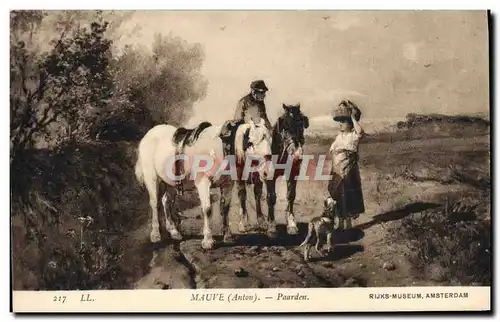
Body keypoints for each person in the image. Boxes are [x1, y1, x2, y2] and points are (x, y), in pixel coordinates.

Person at [327, 100, 365, 229]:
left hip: (348, 171)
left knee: (348, 195)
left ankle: (348, 223)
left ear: (350, 123)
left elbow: (360, 131)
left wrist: (353, 118)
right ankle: (341, 221)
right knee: (337, 194)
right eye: (340, 122)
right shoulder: (339, 136)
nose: (341, 125)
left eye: (343, 122)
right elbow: (332, 150)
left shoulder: (353, 135)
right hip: (337, 170)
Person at [219, 80, 272, 156]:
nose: (264, 95)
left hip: (258, 129)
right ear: (254, 92)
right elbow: (238, 118)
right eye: (261, 92)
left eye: (264, 92)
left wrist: (270, 129)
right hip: (246, 128)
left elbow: (264, 117)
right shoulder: (243, 101)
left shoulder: (261, 104)